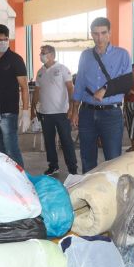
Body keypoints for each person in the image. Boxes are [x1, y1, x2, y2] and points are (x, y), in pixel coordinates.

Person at [70, 17, 132, 173]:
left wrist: (106, 88)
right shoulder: (85, 55)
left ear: (109, 33)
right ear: (91, 34)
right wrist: (74, 110)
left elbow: (127, 83)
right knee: (87, 157)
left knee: (112, 158)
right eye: (96, 34)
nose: (100, 37)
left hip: (111, 113)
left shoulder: (122, 54)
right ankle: (89, 194)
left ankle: (112, 194)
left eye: (103, 33)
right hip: (87, 113)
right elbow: (80, 83)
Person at [31, 45, 78, 176]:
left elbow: (70, 88)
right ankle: (53, 166)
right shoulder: (40, 72)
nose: (41, 55)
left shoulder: (62, 69)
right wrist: (32, 109)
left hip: (62, 112)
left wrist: (71, 108)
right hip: (45, 113)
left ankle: (72, 168)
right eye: (41, 52)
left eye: (43, 53)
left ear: (52, 55)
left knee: (66, 141)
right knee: (49, 142)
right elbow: (36, 91)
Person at [0, 24, 30, 166]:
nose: (3, 42)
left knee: (11, 149)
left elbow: (24, 87)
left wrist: (25, 112)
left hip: (8, 112)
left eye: (5, 39)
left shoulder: (15, 59)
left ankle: (22, 180)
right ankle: (5, 181)